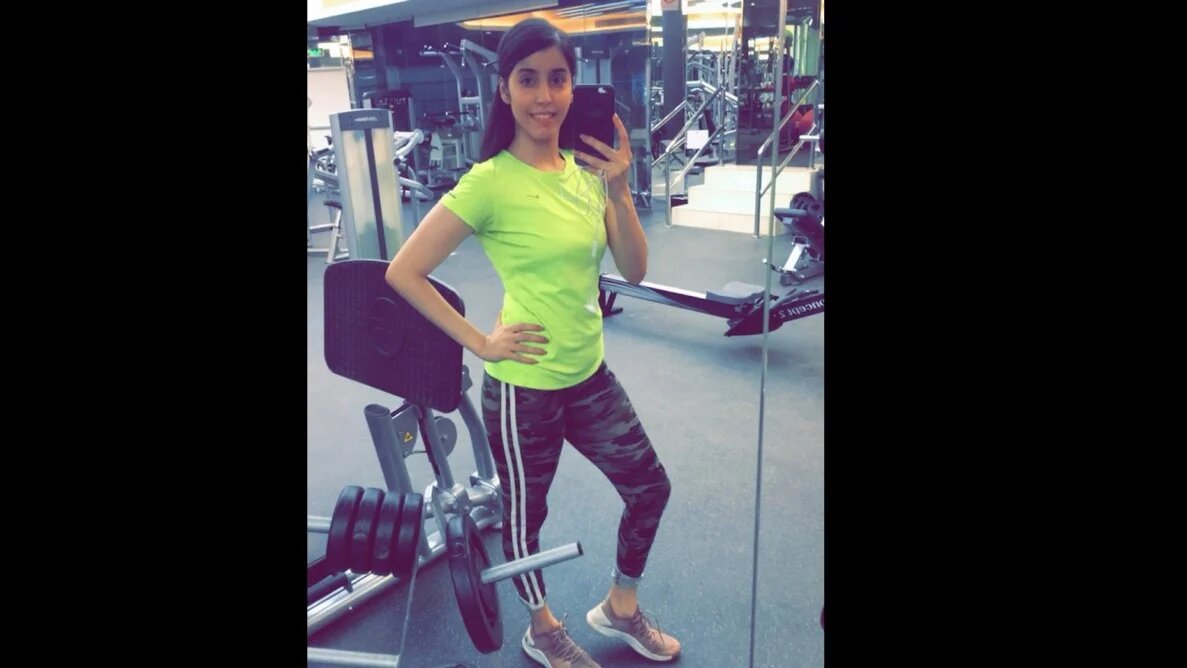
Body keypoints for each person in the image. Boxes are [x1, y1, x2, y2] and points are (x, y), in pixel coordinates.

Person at [385, 17, 680, 668]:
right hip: (525, 387)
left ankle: (620, 607)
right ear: (504, 90)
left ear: (574, 86)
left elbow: (633, 271)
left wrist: (619, 189)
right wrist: (479, 342)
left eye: (557, 79)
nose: (544, 96)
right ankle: (541, 628)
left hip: (590, 375)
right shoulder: (489, 182)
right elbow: (403, 272)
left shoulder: (587, 172)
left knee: (650, 488)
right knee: (525, 519)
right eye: (527, 80)